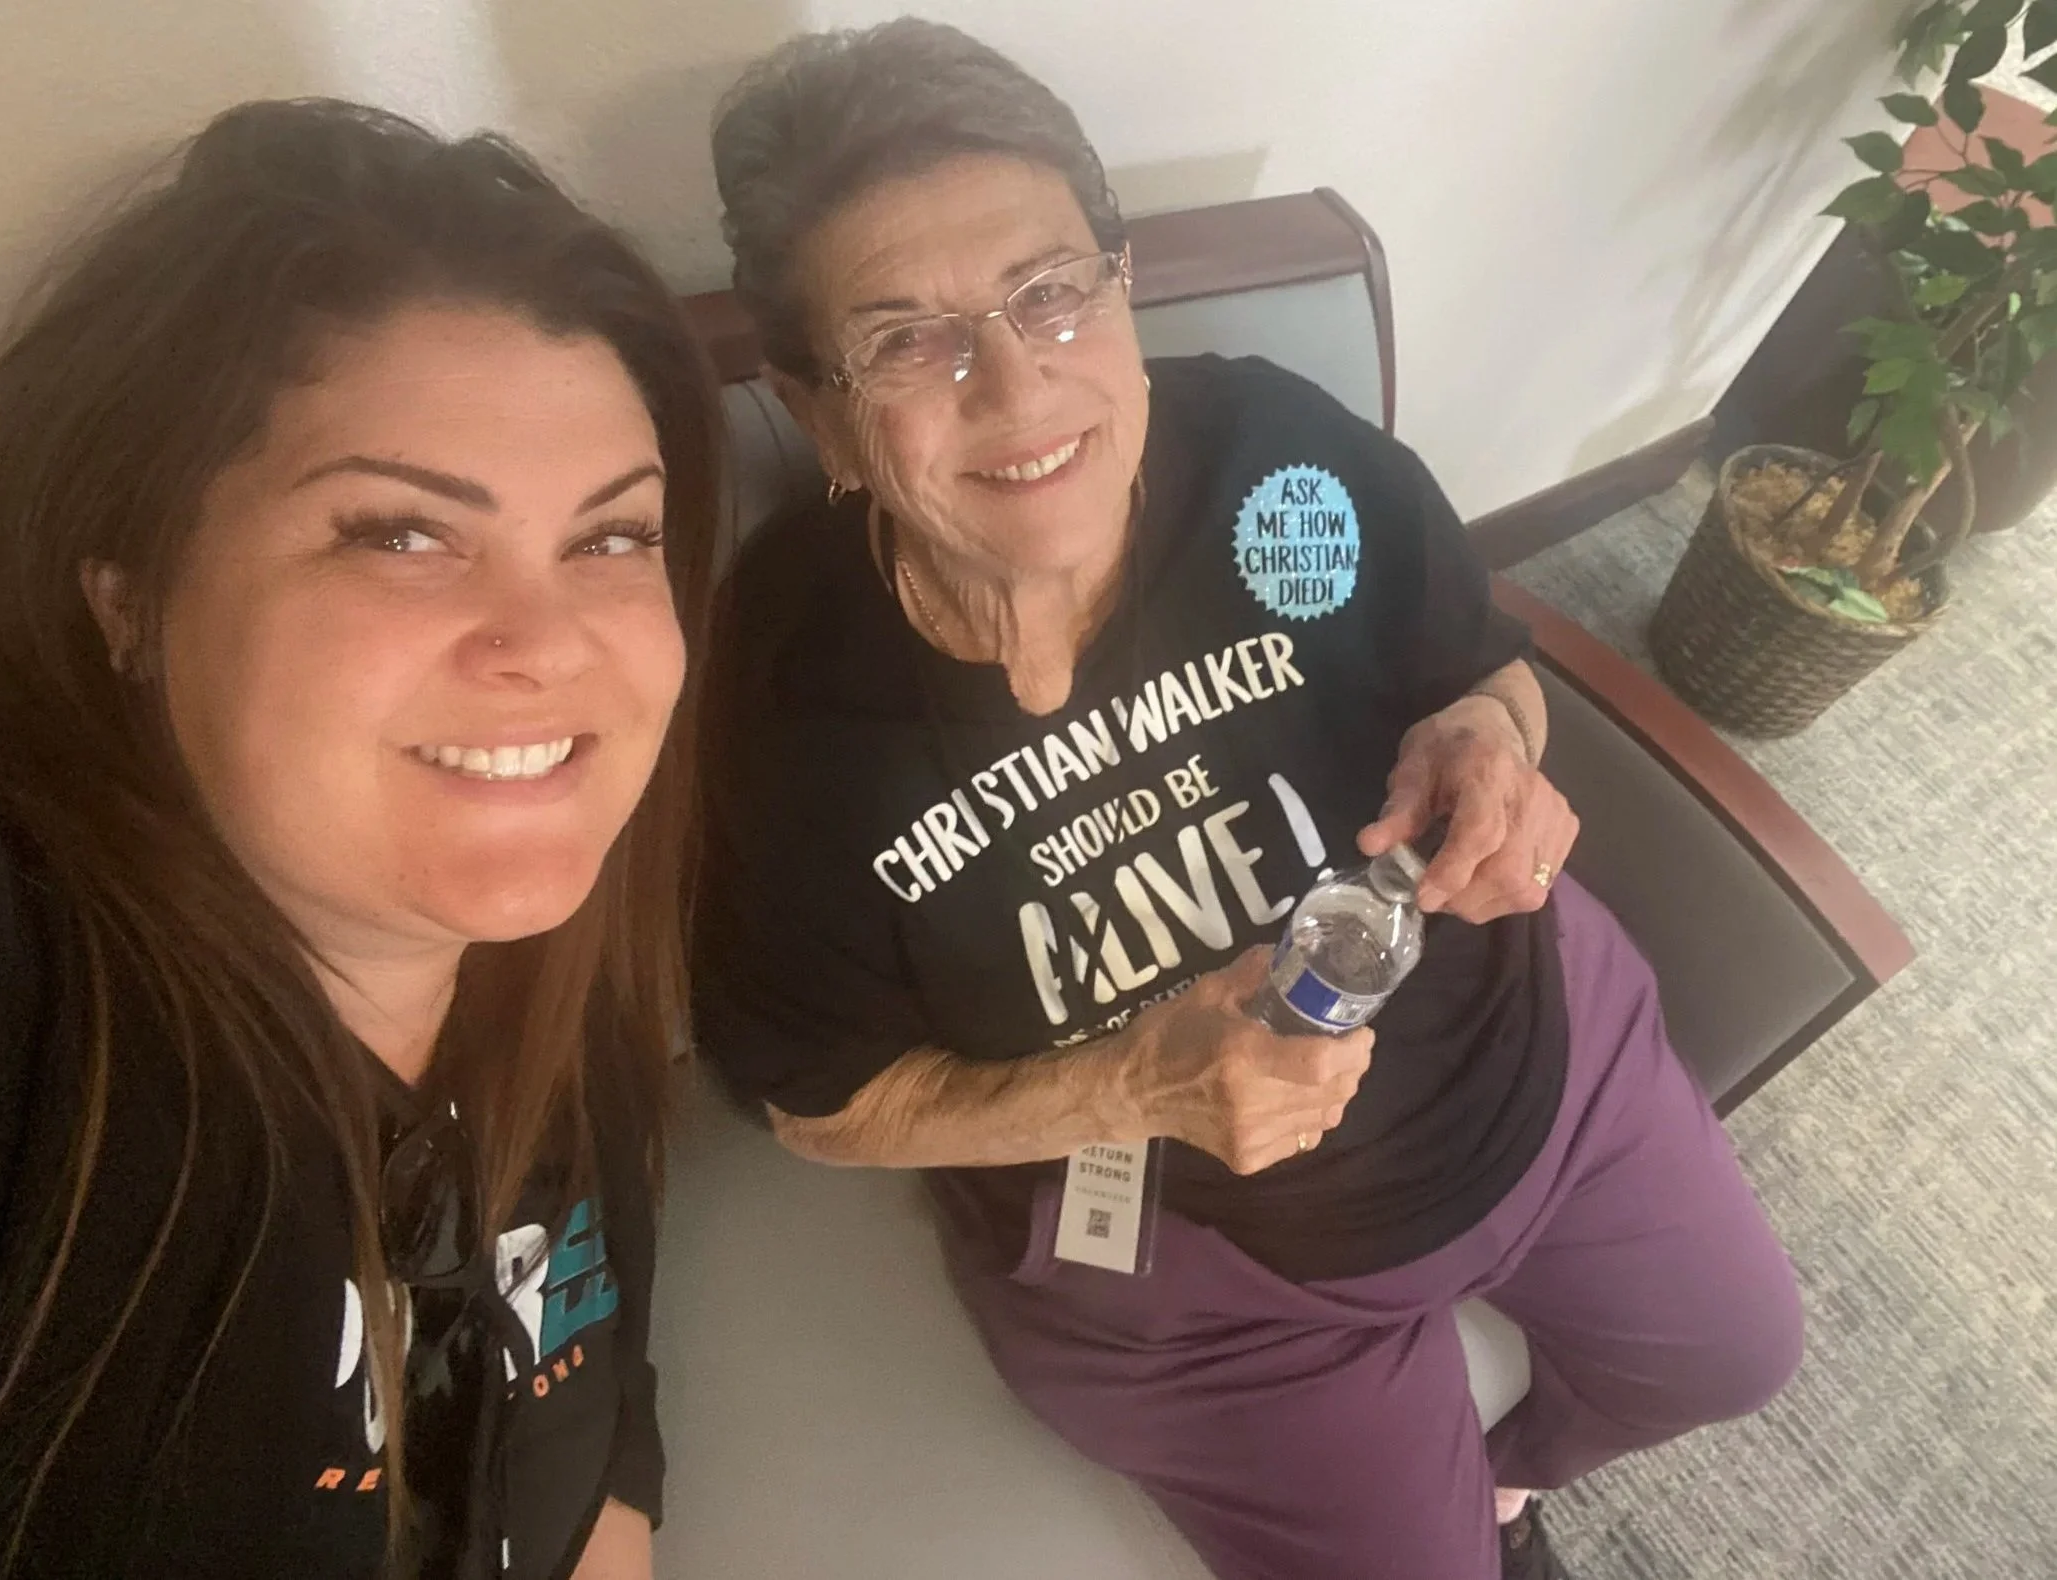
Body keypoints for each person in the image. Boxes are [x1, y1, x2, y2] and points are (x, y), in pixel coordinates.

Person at [691, 19, 1805, 1580]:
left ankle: (1511, 1475)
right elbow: (812, 1102)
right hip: (1184, 1273)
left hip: (1534, 1067)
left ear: (1118, 285)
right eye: (904, 340)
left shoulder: (1276, 468)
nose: (1015, 386)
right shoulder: (786, 694)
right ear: (818, 413)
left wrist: (1493, 745)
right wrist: (1129, 1087)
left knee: (1733, 1357)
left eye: (1047, 292)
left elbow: (1477, 665)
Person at [0, 100, 720, 1579]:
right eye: (401, 534)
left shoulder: (555, 976)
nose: (545, 645)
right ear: (128, 598)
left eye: (612, 537)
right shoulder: (20, 1000)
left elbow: (606, 1474)